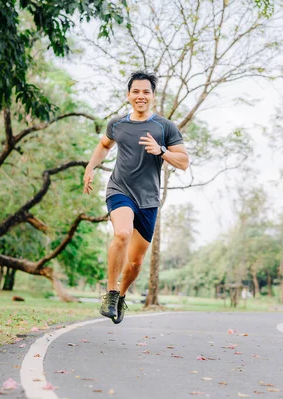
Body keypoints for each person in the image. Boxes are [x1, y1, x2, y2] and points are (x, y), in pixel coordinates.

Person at [83, 71, 189, 324]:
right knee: (121, 234)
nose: (140, 96)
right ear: (129, 95)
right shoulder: (117, 125)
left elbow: (184, 162)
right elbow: (104, 145)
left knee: (135, 262)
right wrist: (90, 167)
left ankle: (121, 295)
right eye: (136, 91)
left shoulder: (165, 127)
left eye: (146, 92)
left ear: (152, 96)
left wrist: (161, 151)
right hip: (119, 190)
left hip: (148, 200)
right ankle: (110, 293)